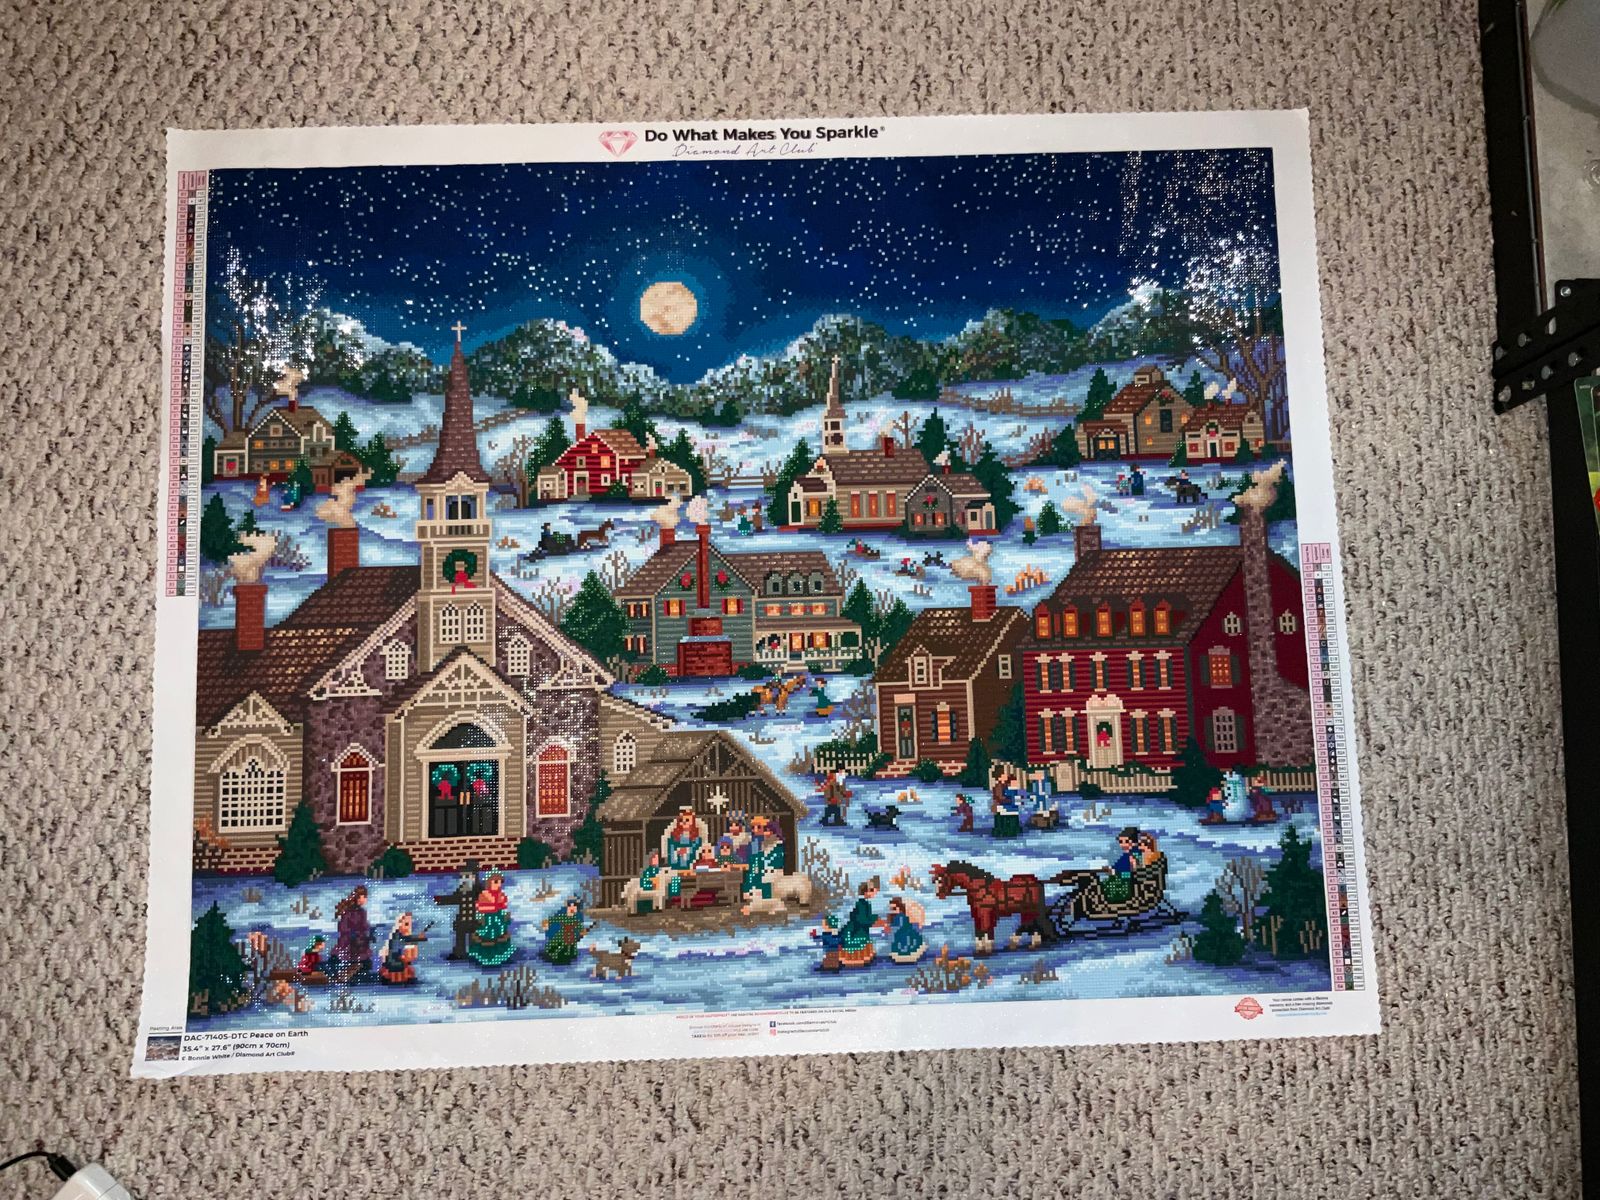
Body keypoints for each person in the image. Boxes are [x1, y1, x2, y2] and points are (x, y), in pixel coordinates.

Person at [433, 860, 484, 961]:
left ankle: (475, 951)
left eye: (467, 877)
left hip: (474, 919)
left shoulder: (478, 890)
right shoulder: (462, 890)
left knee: (474, 935)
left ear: (474, 877)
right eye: (463, 877)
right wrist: (441, 900)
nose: (465, 879)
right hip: (463, 920)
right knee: (460, 934)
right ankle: (459, 952)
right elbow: (454, 899)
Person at [467, 872, 515, 967]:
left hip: (498, 920)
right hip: (487, 920)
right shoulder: (484, 895)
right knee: (486, 935)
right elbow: (479, 907)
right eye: (496, 882)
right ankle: (485, 956)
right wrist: (492, 909)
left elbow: (503, 906)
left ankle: (500, 954)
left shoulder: (501, 895)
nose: (499, 885)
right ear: (489, 883)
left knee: (500, 934)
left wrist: (504, 915)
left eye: (500, 882)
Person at [739, 816, 785, 913]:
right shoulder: (761, 843)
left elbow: (774, 860)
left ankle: (761, 906)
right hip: (760, 870)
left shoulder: (777, 845)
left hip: (771, 873)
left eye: (767, 830)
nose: (766, 833)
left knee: (766, 887)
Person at [332, 885, 374, 982]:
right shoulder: (349, 912)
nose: (366, 899)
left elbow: (364, 926)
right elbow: (343, 928)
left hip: (358, 942)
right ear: (359, 897)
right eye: (364, 897)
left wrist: (368, 932)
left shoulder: (361, 912)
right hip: (349, 944)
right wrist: (355, 934)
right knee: (359, 958)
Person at [839, 877, 880, 968]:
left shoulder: (864, 903)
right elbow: (862, 920)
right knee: (859, 943)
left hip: (859, 929)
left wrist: (874, 919)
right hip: (856, 931)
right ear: (866, 891)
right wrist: (874, 919)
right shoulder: (862, 903)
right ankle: (854, 959)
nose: (875, 893)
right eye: (873, 891)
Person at [378, 912, 428, 985]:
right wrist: (418, 938)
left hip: (395, 960)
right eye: (406, 924)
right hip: (394, 961)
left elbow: (407, 939)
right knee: (408, 966)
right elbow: (406, 939)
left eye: (409, 925)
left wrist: (418, 938)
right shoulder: (397, 934)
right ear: (400, 923)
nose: (408, 927)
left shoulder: (398, 934)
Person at [541, 896, 588, 965]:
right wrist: (546, 923)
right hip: (562, 935)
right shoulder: (563, 916)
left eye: (575, 906)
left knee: (570, 948)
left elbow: (579, 927)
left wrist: (582, 932)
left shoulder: (576, 918)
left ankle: (569, 956)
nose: (572, 907)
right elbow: (553, 920)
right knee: (557, 947)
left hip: (571, 937)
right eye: (570, 905)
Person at [883, 896, 926, 964]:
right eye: (891, 908)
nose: (892, 910)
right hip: (900, 939)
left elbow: (900, 927)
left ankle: (905, 952)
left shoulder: (901, 917)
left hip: (906, 938)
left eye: (894, 908)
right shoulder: (895, 917)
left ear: (900, 907)